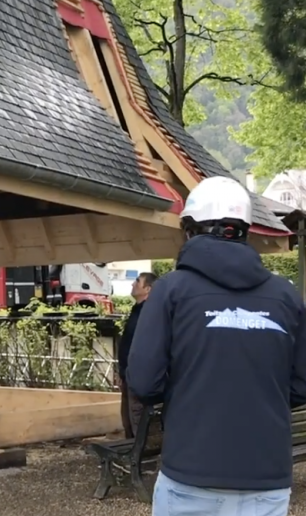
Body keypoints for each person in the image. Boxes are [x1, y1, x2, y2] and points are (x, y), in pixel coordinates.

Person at [127, 176, 306, 516]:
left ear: (190, 230)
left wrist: (190, 392)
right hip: (266, 477)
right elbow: (302, 384)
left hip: (191, 472)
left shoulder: (171, 290)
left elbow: (144, 381)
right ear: (244, 230)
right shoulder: (286, 296)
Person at [116, 272, 156, 438]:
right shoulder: (137, 310)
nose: (133, 284)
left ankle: (142, 456)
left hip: (138, 374)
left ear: (147, 288)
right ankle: (133, 452)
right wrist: (121, 371)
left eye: (137, 282)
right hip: (128, 373)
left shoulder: (149, 313)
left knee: (137, 417)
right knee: (127, 418)